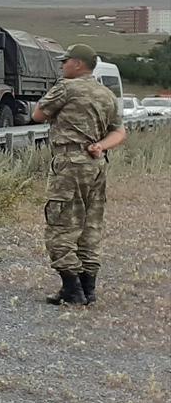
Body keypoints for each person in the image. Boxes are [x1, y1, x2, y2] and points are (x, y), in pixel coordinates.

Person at [32, 44, 126, 306]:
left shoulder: (66, 88)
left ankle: (72, 289)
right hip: (96, 164)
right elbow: (119, 132)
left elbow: (38, 114)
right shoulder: (106, 94)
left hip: (69, 163)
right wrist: (100, 146)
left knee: (61, 224)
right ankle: (88, 288)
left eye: (65, 62)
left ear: (78, 64)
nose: (62, 66)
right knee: (90, 225)